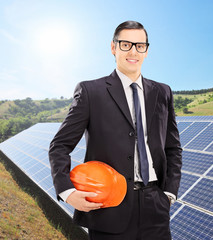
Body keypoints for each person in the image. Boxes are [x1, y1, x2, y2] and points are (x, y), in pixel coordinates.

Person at [49, 20, 182, 240]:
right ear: (113, 47)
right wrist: (67, 191)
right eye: (126, 44)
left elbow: (173, 147)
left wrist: (169, 193)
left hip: (155, 207)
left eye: (140, 46)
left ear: (146, 50)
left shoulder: (163, 92)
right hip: (108, 207)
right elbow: (60, 146)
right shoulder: (91, 91)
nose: (133, 51)